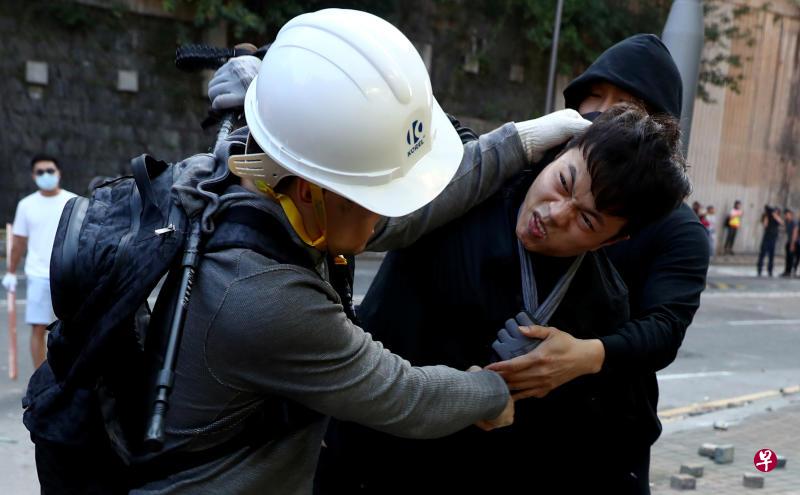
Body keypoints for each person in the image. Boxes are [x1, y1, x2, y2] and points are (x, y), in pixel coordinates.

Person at [118, 10, 593, 495]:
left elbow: (409, 206)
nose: (382, 219)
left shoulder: (244, 174)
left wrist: (520, 141)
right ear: (310, 192)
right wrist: (493, 393)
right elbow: (403, 394)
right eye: (375, 203)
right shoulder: (263, 296)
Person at [316, 34, 707, 495]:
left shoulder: (608, 296)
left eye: (585, 219)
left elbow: (661, 331)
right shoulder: (466, 195)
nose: (553, 214)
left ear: (615, 238)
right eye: (563, 183)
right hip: (368, 456)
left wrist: (587, 355)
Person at [2, 155, 76, 368]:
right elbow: (18, 242)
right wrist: (10, 271)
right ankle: (40, 379)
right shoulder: (26, 205)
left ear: (59, 172)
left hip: (68, 273)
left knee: (73, 327)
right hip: (38, 275)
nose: (46, 175)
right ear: (33, 176)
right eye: (40, 172)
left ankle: (71, 375)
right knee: (38, 328)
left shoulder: (73, 202)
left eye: (50, 171)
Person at [757, 205, 783, 277]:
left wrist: (774, 215)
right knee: (762, 254)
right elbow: (765, 225)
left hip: (773, 239)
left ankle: (770, 270)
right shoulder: (767, 216)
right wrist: (767, 216)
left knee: (771, 256)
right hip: (766, 238)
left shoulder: (777, 218)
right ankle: (759, 269)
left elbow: (781, 222)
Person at [781, 208, 796, 277]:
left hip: (795, 242)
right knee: (788, 257)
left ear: (791, 215)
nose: (785, 216)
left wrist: (792, 244)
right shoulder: (787, 222)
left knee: (792, 257)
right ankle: (787, 271)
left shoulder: (794, 222)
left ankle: (790, 271)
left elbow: (794, 233)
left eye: (787, 214)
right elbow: (785, 230)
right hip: (789, 241)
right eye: (785, 215)